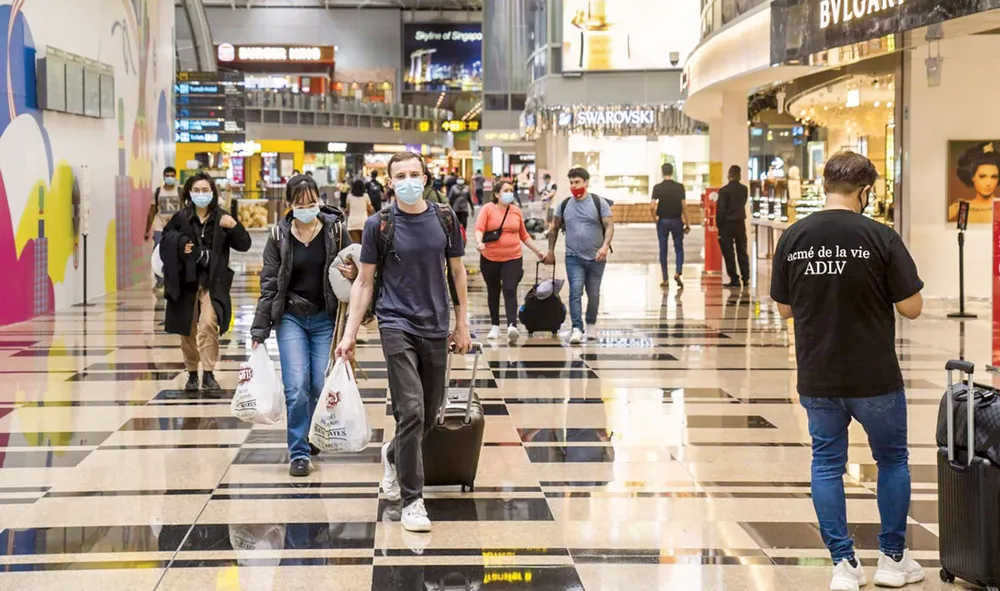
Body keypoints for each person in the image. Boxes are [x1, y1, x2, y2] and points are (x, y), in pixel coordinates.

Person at [770, 151, 925, 591]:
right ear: (864, 191)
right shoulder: (881, 236)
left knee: (826, 464)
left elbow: (783, 308)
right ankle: (893, 560)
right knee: (892, 459)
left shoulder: (795, 236)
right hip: (874, 375)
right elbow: (911, 307)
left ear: (825, 186)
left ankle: (843, 564)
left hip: (818, 373)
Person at [334, 151, 471, 534]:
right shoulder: (380, 224)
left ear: (426, 177)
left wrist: (462, 323)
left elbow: (457, 273)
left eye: (415, 173)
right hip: (395, 324)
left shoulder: (445, 219)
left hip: (436, 324)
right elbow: (363, 282)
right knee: (410, 410)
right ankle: (413, 499)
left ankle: (393, 455)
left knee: (428, 413)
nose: (409, 180)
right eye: (401, 175)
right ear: (389, 182)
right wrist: (349, 336)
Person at [250, 174, 355, 477]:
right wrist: (259, 329)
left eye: (312, 202)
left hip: (325, 318)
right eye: (300, 203)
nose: (307, 207)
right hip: (291, 318)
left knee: (318, 385)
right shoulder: (278, 236)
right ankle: (299, 451)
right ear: (290, 204)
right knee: (296, 386)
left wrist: (352, 271)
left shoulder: (335, 231)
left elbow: (357, 269)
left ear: (319, 200)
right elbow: (270, 285)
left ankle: (311, 432)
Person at [161, 172, 252, 392]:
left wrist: (234, 226)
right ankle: (192, 373)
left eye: (205, 190)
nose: (201, 194)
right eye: (196, 190)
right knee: (187, 329)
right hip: (186, 283)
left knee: (209, 324)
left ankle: (209, 373)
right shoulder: (181, 218)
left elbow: (244, 244)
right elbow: (165, 240)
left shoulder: (221, 218)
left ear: (212, 193)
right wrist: (181, 244)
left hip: (213, 282)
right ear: (189, 193)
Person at [545, 167, 614, 345]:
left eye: (577, 182)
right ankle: (577, 327)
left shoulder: (599, 203)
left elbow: (609, 226)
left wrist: (605, 246)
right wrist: (551, 251)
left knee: (593, 293)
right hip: (573, 257)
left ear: (586, 183)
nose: (574, 186)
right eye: (572, 182)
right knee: (575, 291)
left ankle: (590, 323)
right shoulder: (565, 204)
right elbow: (554, 228)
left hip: (596, 257)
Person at [475, 181, 545, 343]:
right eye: (505, 190)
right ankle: (495, 326)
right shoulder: (487, 209)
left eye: (511, 190)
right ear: (497, 194)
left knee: (509, 288)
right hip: (489, 257)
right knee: (493, 290)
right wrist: (479, 242)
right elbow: (479, 228)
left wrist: (537, 250)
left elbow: (524, 235)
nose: (509, 193)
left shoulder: (516, 212)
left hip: (513, 257)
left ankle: (512, 325)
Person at [650, 163, 689, 289]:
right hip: (677, 220)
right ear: (672, 172)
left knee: (663, 248)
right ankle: (678, 272)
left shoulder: (657, 188)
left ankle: (665, 278)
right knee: (679, 248)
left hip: (663, 221)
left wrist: (654, 218)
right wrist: (688, 222)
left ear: (662, 172)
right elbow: (684, 206)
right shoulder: (679, 187)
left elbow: (651, 206)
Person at [144, 167, 181, 287]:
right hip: (160, 228)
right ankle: (160, 280)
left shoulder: (179, 191)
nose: (170, 178)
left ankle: (176, 278)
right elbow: (152, 211)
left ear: (175, 176)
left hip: (177, 229)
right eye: (167, 175)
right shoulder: (158, 192)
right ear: (164, 176)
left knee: (177, 253)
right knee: (159, 253)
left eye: (172, 175)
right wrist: (147, 229)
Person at [716, 165, 751, 288]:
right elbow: (743, 203)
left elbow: (721, 210)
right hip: (740, 223)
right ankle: (746, 277)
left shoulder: (724, 191)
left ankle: (734, 278)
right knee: (742, 251)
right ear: (739, 175)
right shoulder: (744, 189)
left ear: (729, 175)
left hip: (727, 225)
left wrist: (718, 225)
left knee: (729, 252)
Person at [951, 141, 1000, 223]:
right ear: (972, 177)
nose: (988, 183)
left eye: (993, 177)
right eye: (982, 176)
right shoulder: (961, 208)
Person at [346, 179, 374, 244]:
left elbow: (348, 210)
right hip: (364, 222)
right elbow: (370, 209)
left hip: (352, 223)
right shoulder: (366, 196)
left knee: (355, 246)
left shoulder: (349, 196)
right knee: (364, 245)